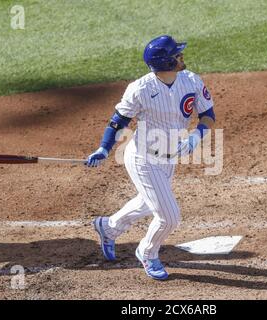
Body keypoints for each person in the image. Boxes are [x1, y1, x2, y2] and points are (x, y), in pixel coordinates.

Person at [86, 35, 215, 280]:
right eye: (177, 55)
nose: (182, 57)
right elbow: (117, 122)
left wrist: (195, 137)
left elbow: (208, 114)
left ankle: (108, 227)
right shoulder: (140, 89)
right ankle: (147, 252)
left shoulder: (191, 80)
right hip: (143, 159)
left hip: (169, 159)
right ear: (166, 62)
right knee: (169, 217)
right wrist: (104, 149)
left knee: (148, 202)